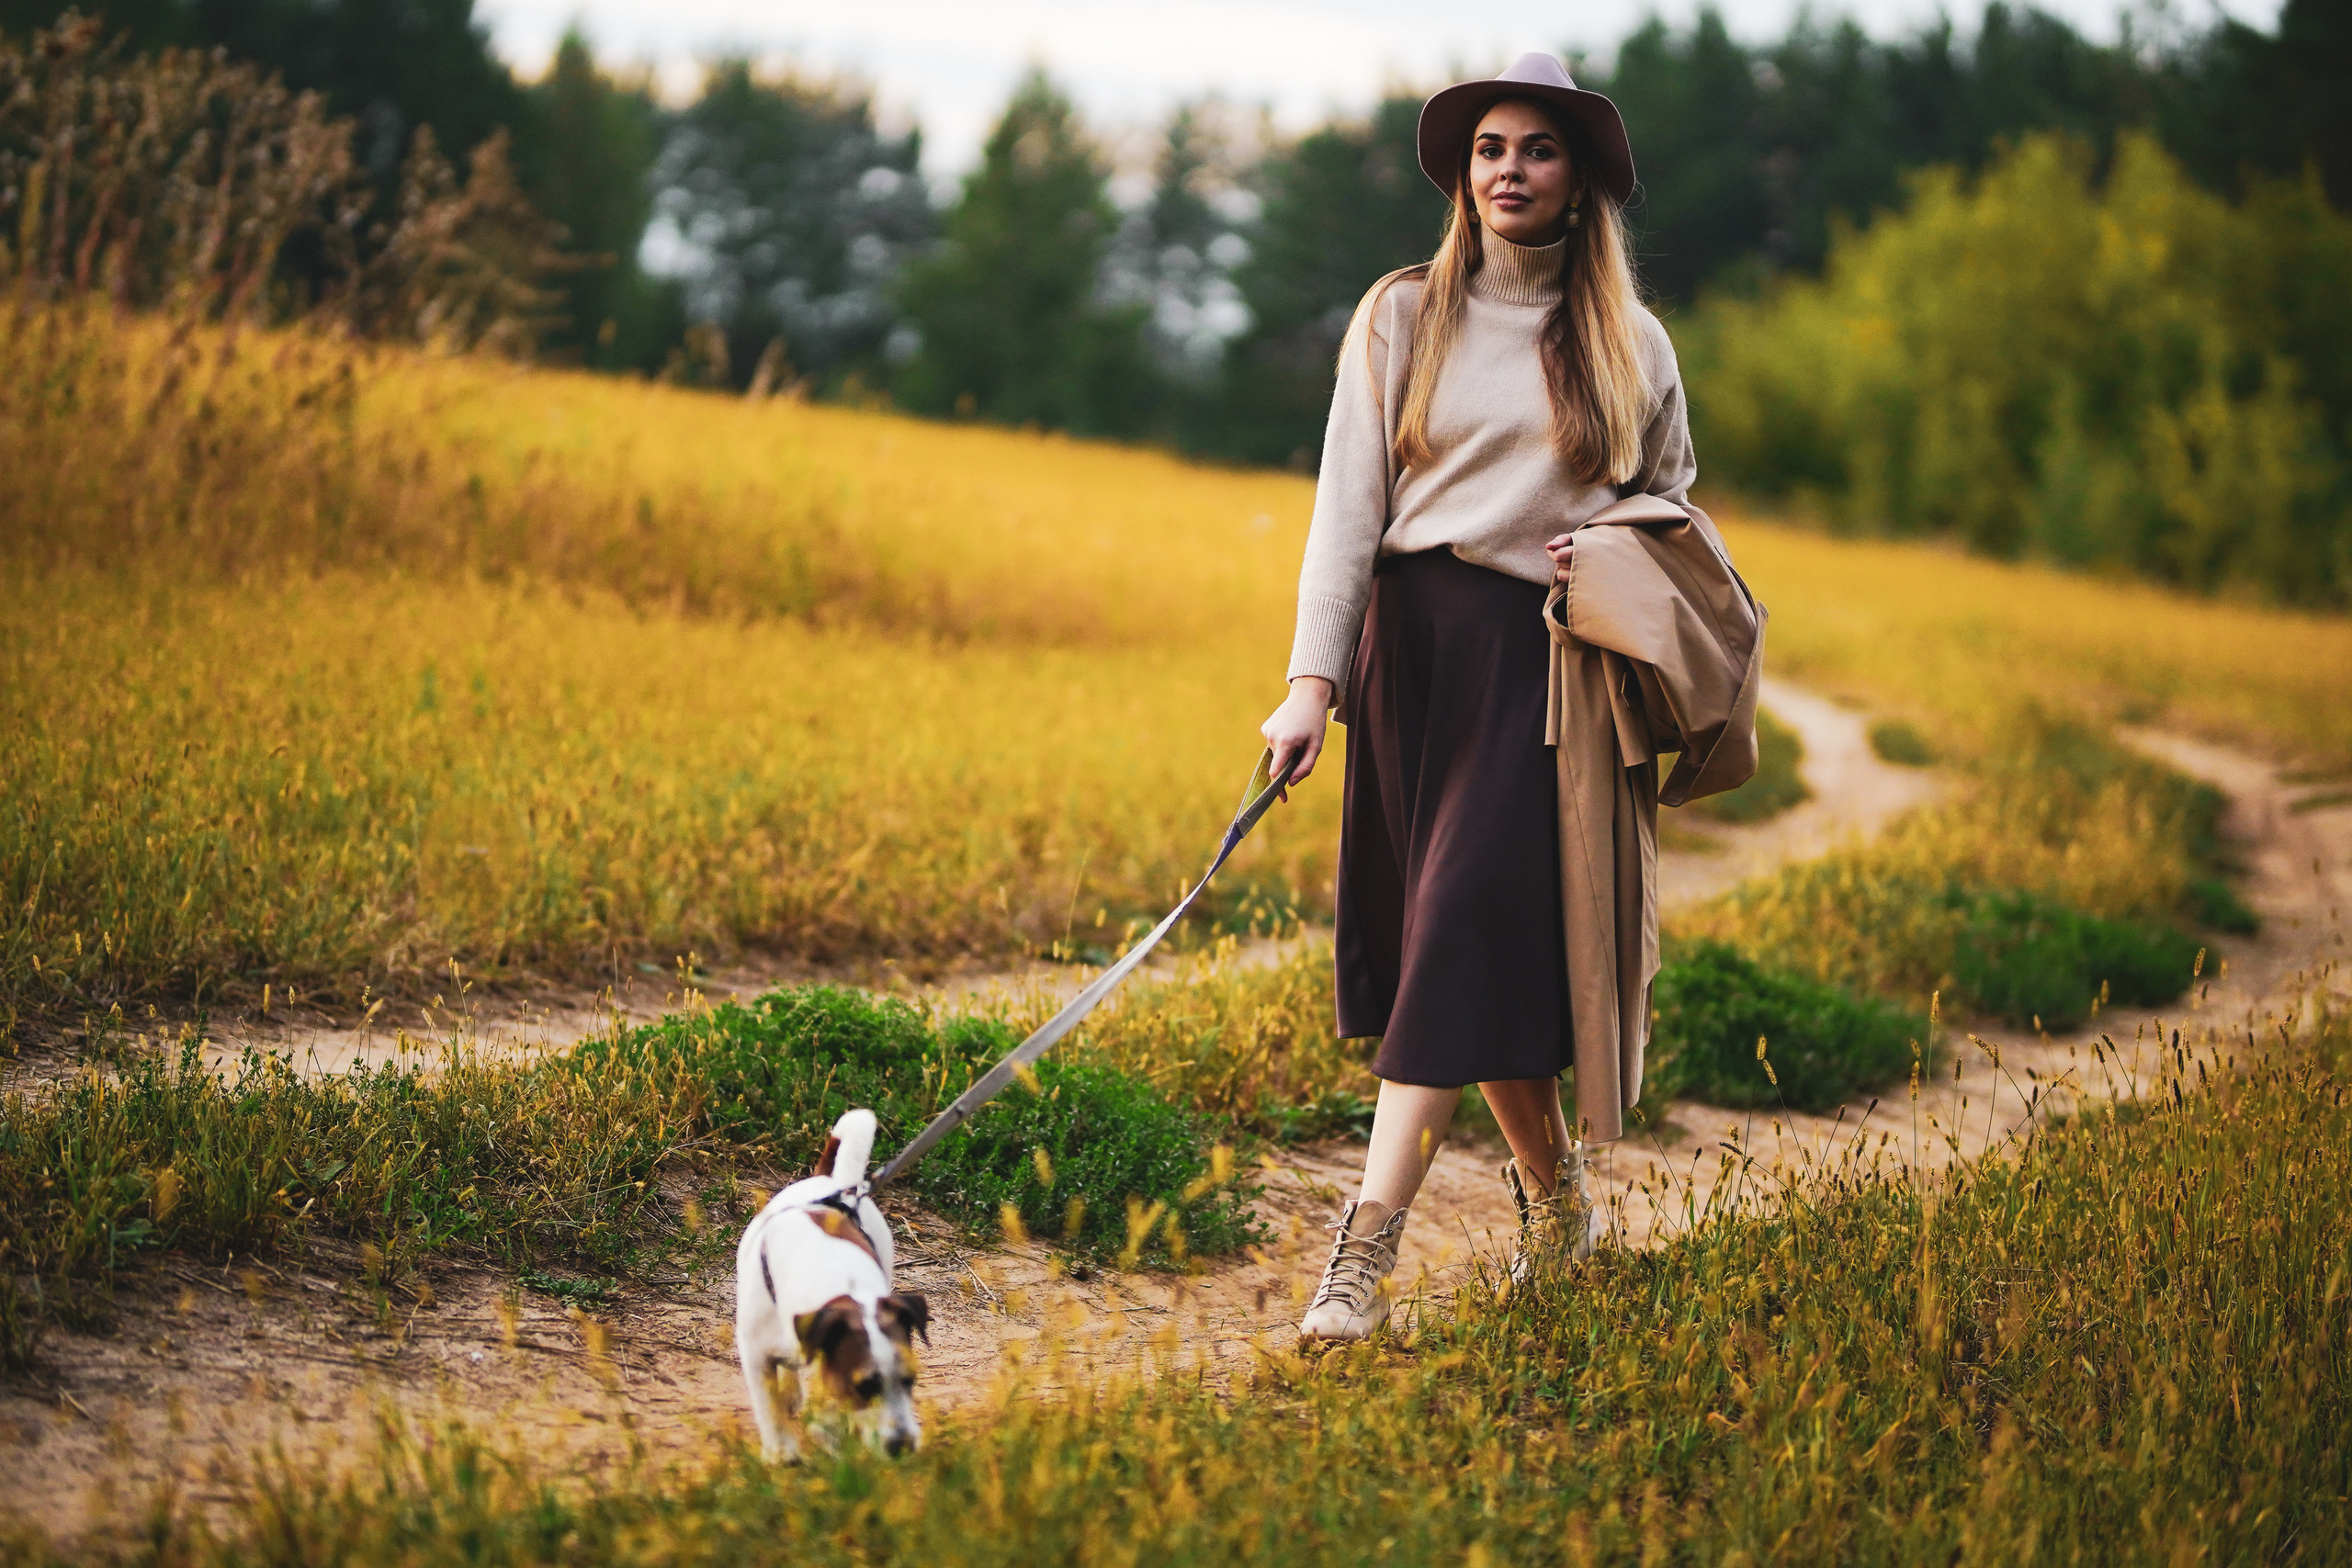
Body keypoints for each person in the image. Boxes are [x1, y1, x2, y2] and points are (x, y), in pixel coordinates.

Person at [1261, 54, 1765, 1343]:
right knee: (1461, 948)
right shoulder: (1400, 318)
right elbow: (1345, 513)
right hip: (1410, 661)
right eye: (1491, 148)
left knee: (1456, 930)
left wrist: (1607, 545)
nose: (1510, 171)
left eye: (1538, 150)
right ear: (1463, 172)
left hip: (1544, 667)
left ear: (1581, 179)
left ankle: (1359, 1261)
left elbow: (1675, 509)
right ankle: (1561, 1206)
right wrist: (1308, 686)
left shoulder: (1628, 343)